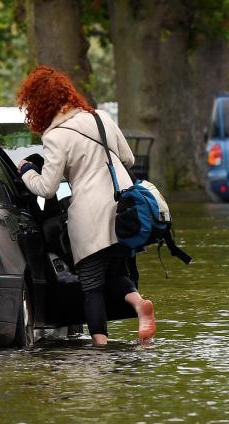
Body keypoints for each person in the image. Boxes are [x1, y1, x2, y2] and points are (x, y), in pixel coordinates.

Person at [15, 66, 155, 345]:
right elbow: (127, 159)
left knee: (92, 287)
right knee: (117, 272)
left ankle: (100, 351)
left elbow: (47, 187)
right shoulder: (100, 118)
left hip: (89, 218)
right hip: (123, 212)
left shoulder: (55, 136)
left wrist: (27, 170)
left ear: (40, 105)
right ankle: (139, 304)